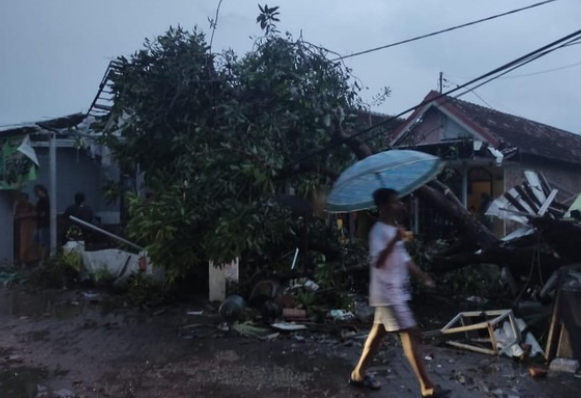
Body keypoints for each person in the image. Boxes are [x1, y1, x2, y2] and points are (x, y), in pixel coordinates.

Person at [349, 188, 450, 398]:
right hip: (388, 294)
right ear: (384, 206)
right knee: (410, 333)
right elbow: (377, 262)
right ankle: (427, 386)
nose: (400, 205)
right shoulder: (378, 231)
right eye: (395, 202)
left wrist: (422, 276)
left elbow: (405, 260)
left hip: (395, 292)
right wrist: (393, 241)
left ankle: (358, 374)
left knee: (377, 336)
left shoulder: (393, 229)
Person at [14, 193, 36, 265]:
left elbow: (36, 213)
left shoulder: (30, 205)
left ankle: (28, 260)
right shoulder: (18, 206)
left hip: (28, 227)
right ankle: (20, 259)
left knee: (27, 242)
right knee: (19, 243)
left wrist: (25, 215)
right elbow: (16, 215)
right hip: (19, 227)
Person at [33, 184, 50, 260]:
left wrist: (35, 213)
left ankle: (42, 260)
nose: (36, 193)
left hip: (44, 224)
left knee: (43, 243)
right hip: (40, 224)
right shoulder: (42, 200)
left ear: (42, 191)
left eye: (37, 191)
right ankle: (41, 259)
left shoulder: (45, 200)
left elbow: (43, 213)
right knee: (37, 242)